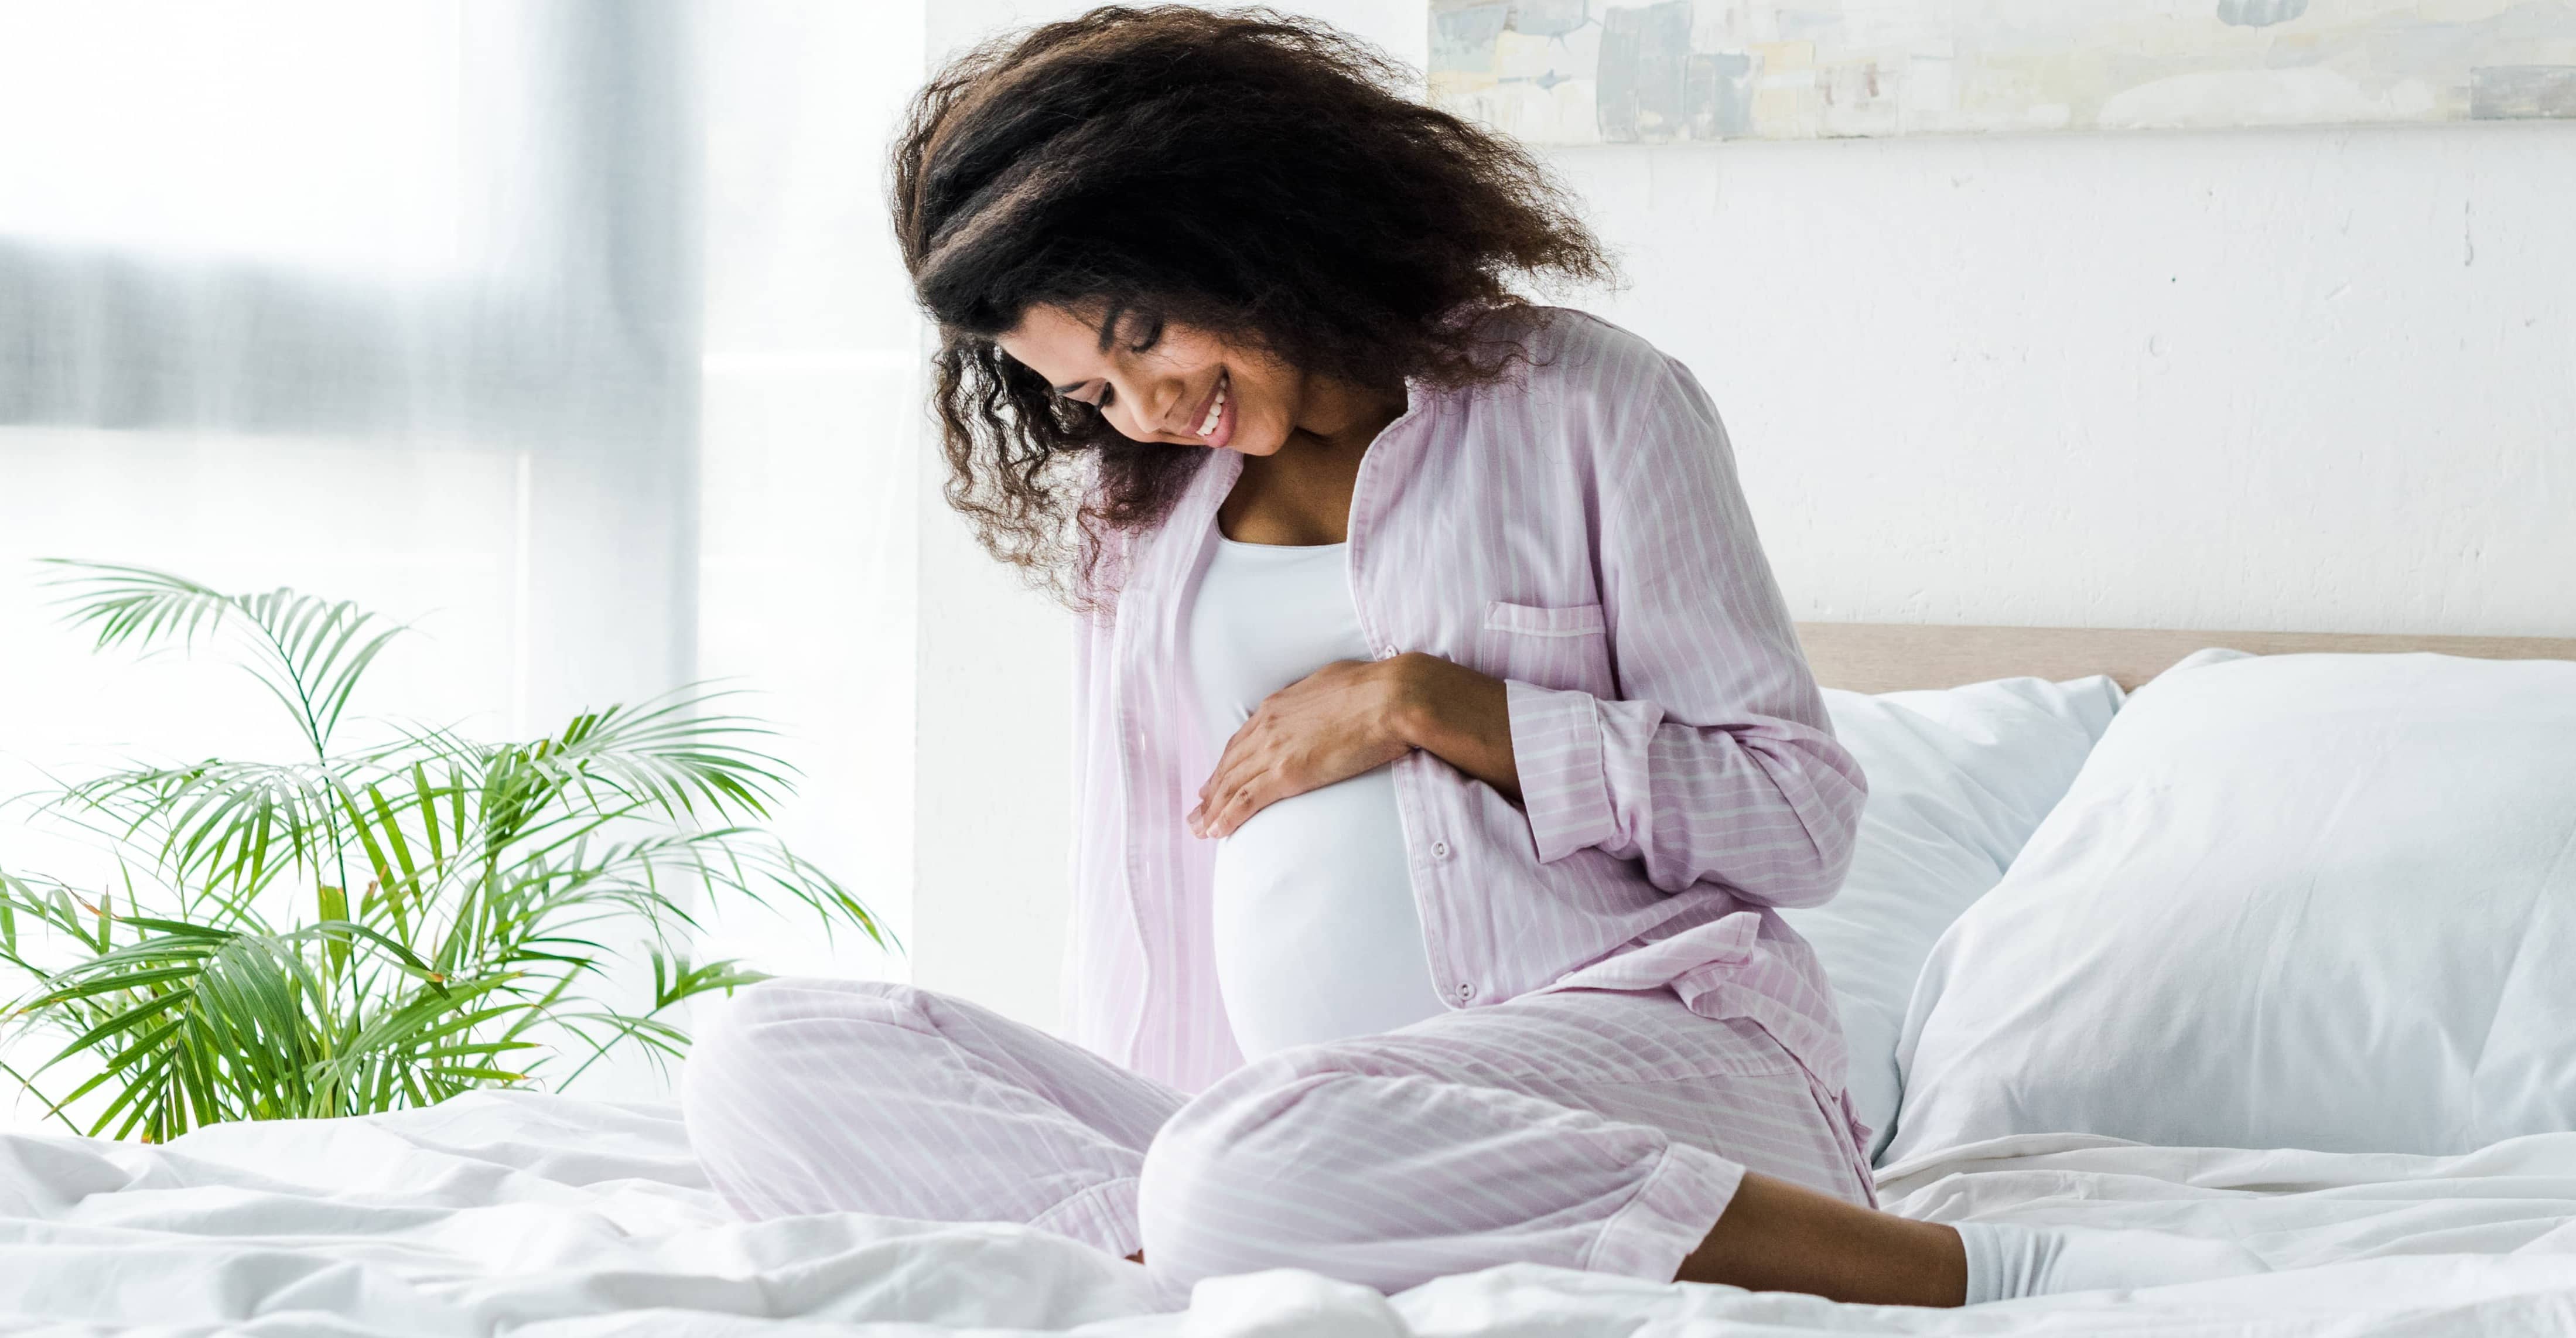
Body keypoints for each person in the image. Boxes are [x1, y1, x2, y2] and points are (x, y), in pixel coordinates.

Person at [682, 5, 2261, 1305]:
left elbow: (1798, 817)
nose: (1143, 409)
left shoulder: (1594, 406)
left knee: (1251, 1156)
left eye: (1145, 335)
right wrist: (1173, 1145)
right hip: (1278, 1120)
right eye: (1090, 391)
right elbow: (1142, 895)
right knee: (761, 1054)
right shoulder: (1140, 515)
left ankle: (1963, 1269)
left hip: (1664, 1049)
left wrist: (1437, 704)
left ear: (1240, 227)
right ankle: (1204, 1240)